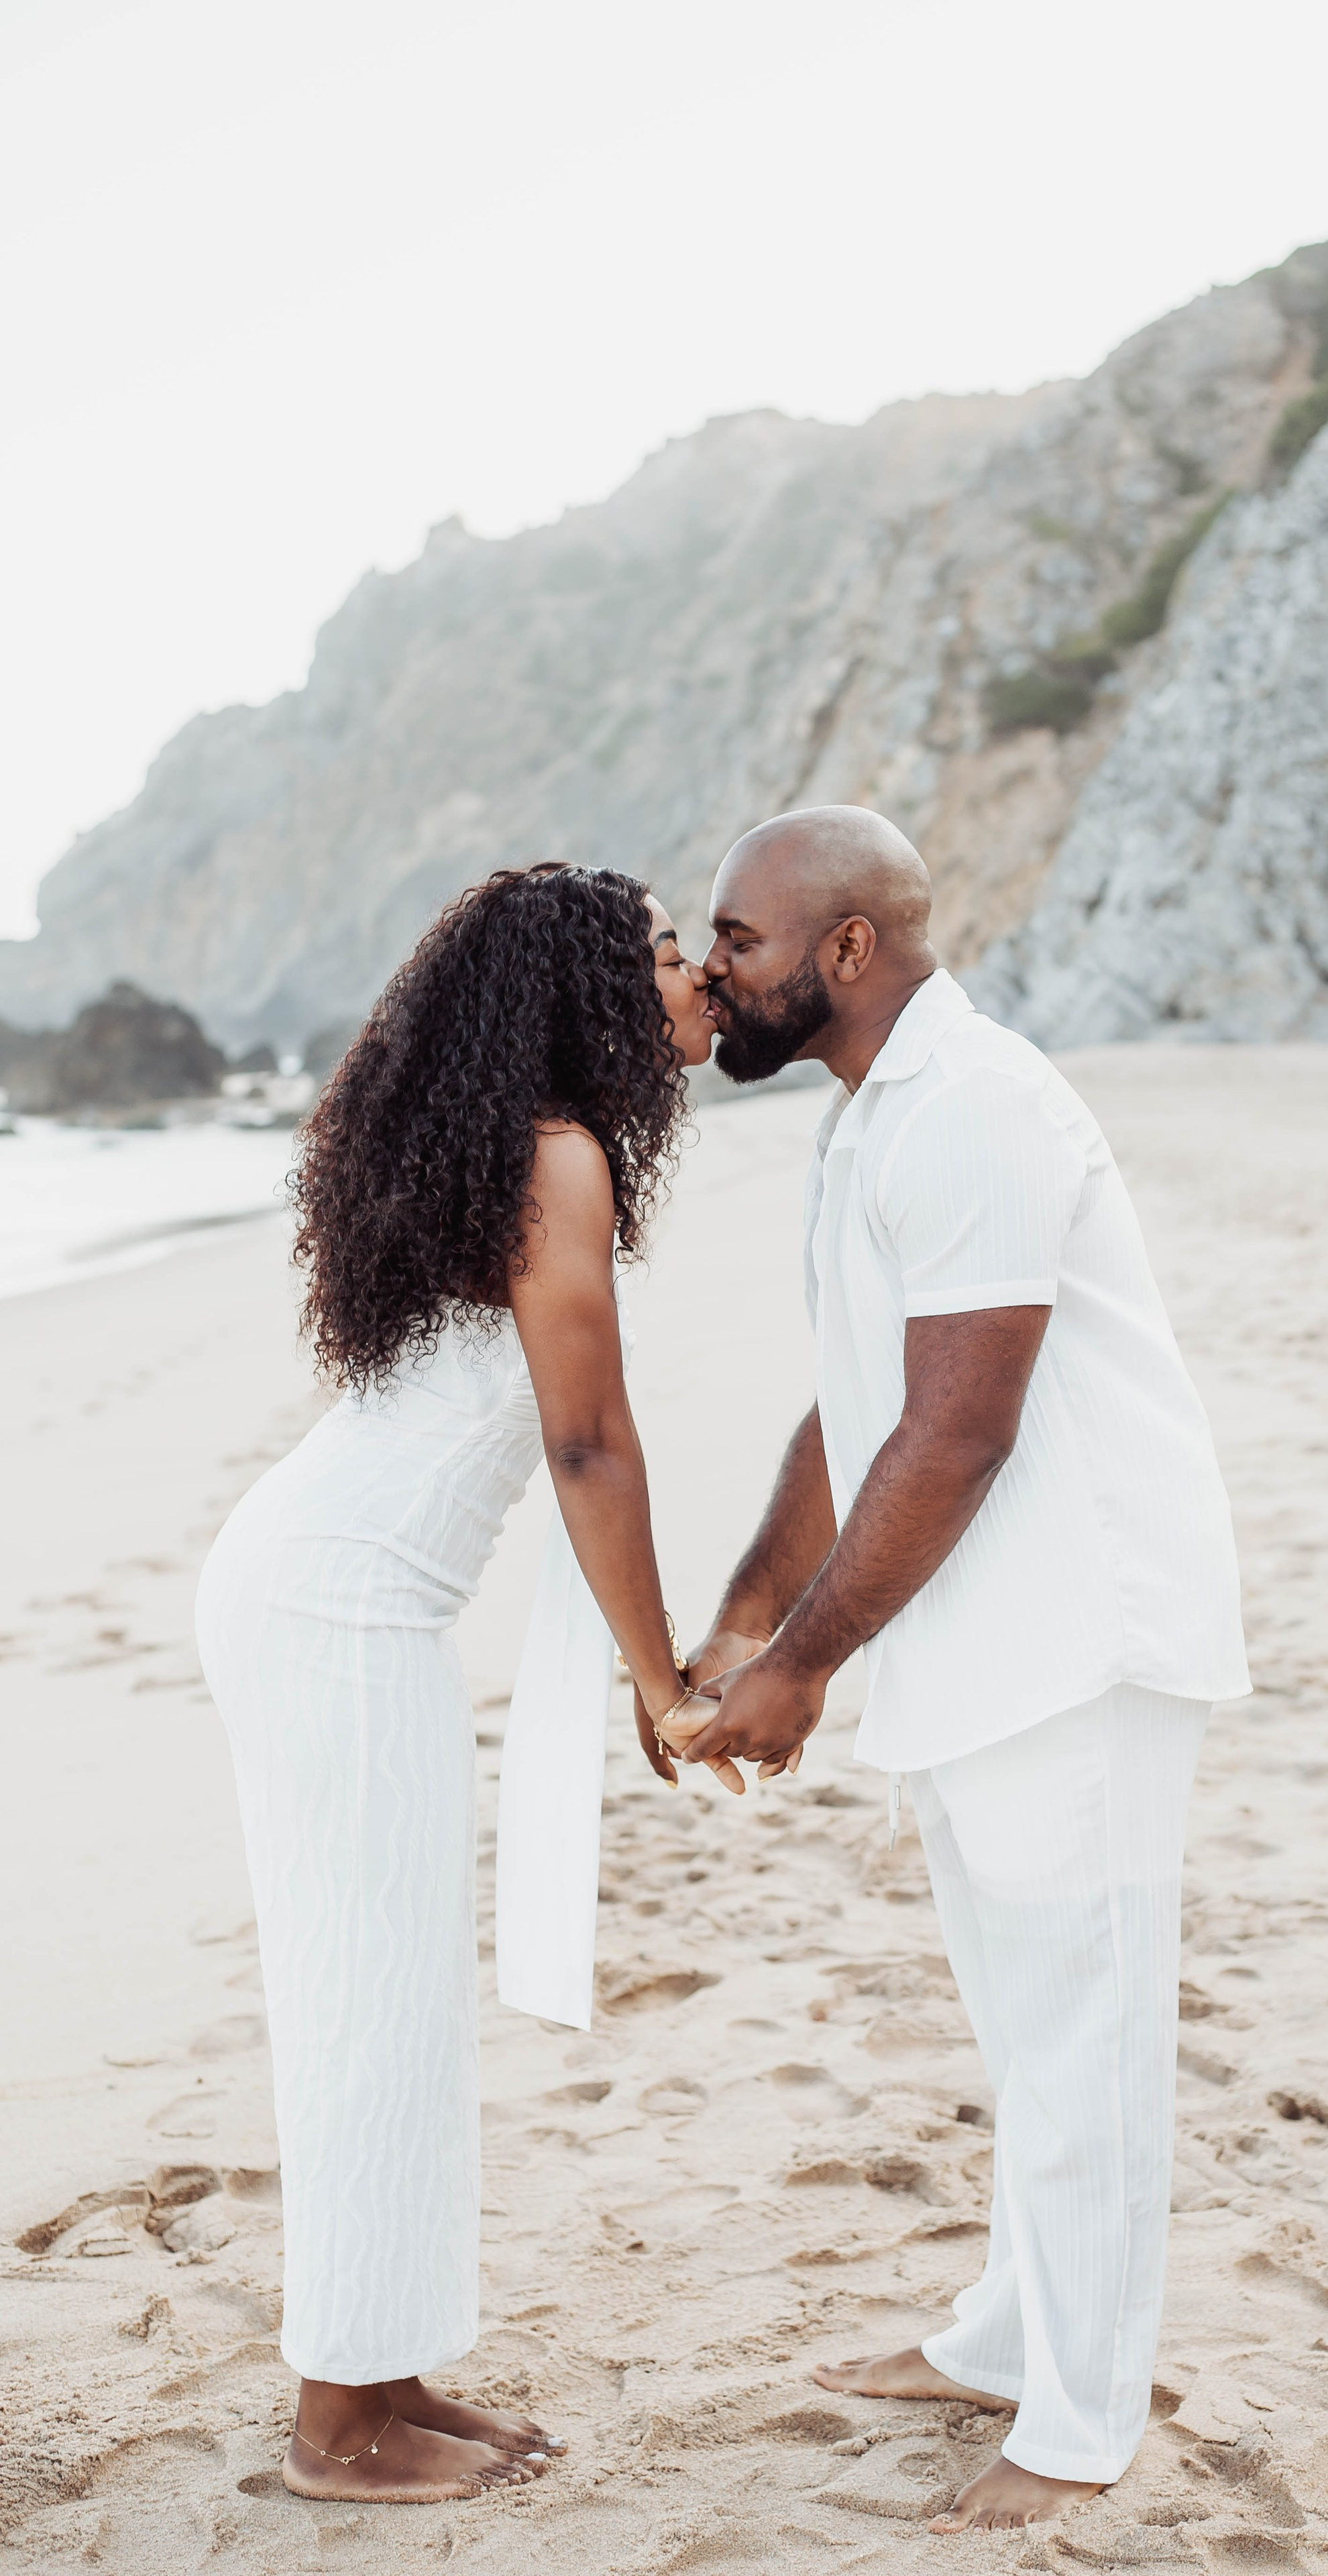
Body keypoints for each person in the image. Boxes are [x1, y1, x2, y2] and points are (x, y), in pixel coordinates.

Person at [674, 806, 1250, 2536]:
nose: (713, 968)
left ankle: (1078, 2426)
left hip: (1075, 1633)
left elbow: (954, 1431)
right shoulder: (870, 1116)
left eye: (740, 938)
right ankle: (1008, 2337)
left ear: (849, 947)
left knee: (1083, 2044)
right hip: (973, 1634)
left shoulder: (976, 1107)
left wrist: (804, 1665)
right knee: (1024, 2033)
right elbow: (855, 1402)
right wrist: (746, 1614)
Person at [195, 865, 722, 2504]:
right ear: (590, 996)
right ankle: (336, 2427)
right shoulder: (553, 1156)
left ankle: (387, 2368)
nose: (698, 977)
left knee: (399, 1993)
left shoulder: (520, 1149)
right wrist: (662, 1678)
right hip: (332, 1611)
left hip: (331, 1598)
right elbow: (587, 1442)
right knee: (366, 2000)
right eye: (665, 955)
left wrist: (649, 1662)